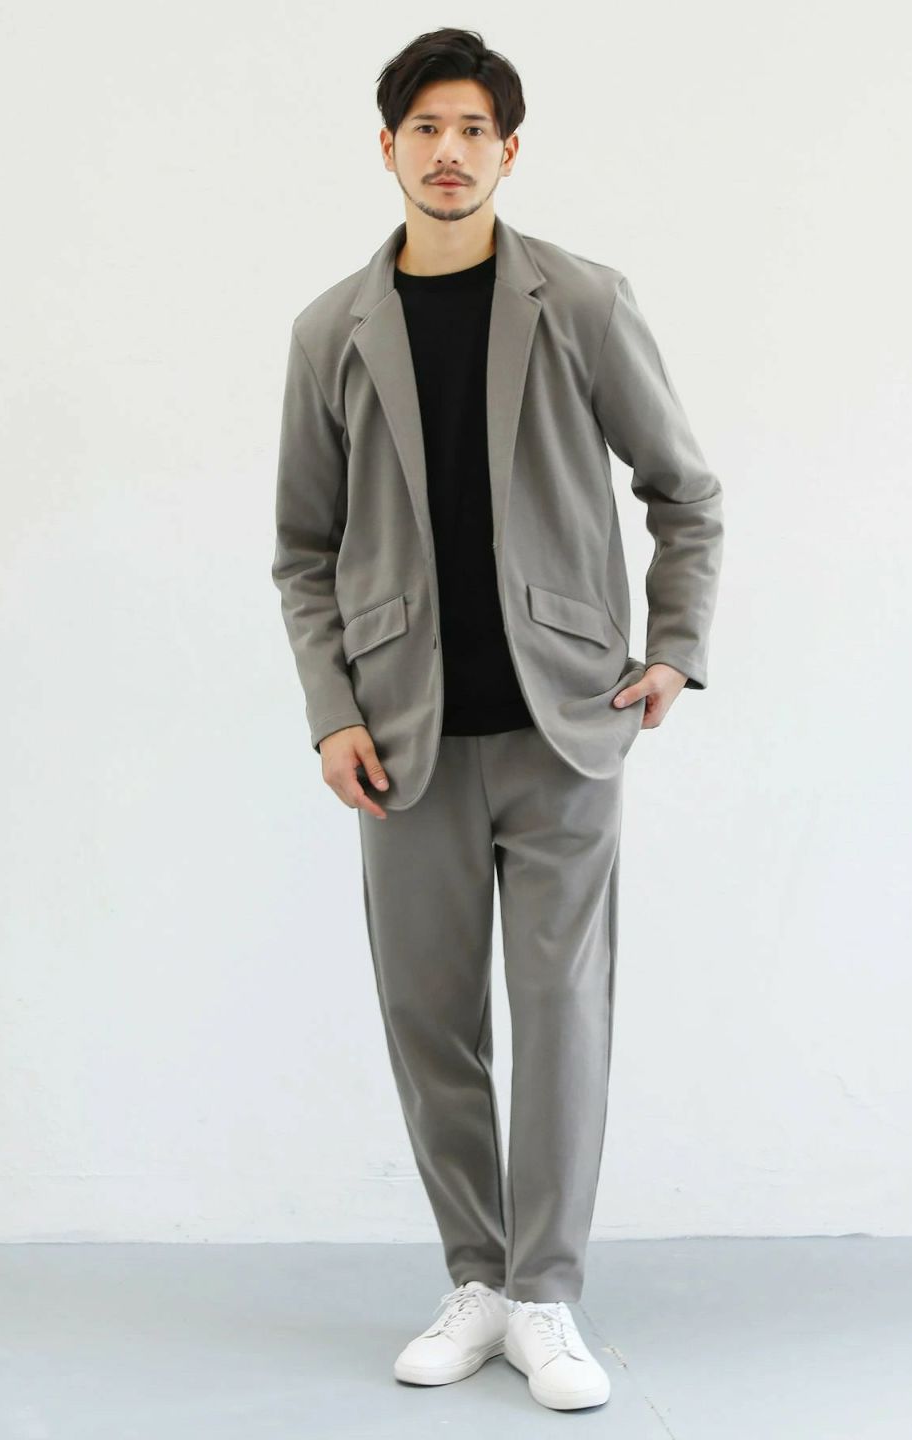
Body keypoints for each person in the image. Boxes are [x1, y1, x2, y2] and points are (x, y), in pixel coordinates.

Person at [272, 26, 724, 1413]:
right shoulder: (331, 331)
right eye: (426, 127)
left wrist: (675, 649)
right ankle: (475, 1277)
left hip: (565, 725)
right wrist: (332, 711)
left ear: (508, 150)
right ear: (389, 148)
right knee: (430, 1017)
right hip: (402, 743)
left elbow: (685, 492)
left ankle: (546, 1295)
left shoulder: (581, 301)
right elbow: (302, 552)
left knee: (562, 1013)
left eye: (474, 128)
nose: (449, 151)